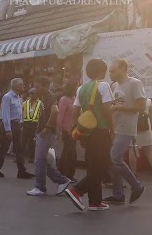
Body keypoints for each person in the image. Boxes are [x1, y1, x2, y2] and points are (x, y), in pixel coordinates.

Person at [65, 59, 114, 211]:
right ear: (102, 71)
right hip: (101, 131)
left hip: (87, 132)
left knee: (93, 166)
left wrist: (78, 133)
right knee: (101, 167)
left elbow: (75, 113)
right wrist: (112, 129)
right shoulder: (103, 85)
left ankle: (95, 202)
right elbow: (107, 110)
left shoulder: (81, 89)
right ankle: (76, 190)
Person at [104, 58, 146, 205]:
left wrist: (118, 108)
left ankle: (137, 186)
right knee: (113, 159)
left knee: (115, 157)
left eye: (113, 71)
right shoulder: (114, 85)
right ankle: (118, 194)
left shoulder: (135, 83)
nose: (110, 73)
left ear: (123, 68)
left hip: (126, 127)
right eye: (110, 71)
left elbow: (141, 106)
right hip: (115, 127)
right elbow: (114, 105)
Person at [26, 76, 72, 197]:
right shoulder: (45, 96)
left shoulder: (49, 97)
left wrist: (48, 127)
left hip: (46, 132)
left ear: (45, 86)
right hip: (44, 131)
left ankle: (40, 187)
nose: (35, 89)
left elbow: (55, 111)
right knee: (43, 160)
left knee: (39, 160)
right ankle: (62, 180)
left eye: (38, 87)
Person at [0, 78, 35, 179]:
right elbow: (5, 114)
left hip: (16, 124)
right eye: (22, 84)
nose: (24, 86)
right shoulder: (8, 97)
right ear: (17, 86)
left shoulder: (17, 97)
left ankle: (21, 171)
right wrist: (8, 129)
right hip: (10, 124)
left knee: (19, 148)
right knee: (4, 148)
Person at [128, 97, 152, 180]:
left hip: (132, 127)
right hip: (145, 128)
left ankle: (134, 173)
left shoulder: (130, 100)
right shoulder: (148, 101)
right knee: (149, 151)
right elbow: (150, 117)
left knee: (132, 150)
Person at [56, 81, 78, 181]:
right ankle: (67, 173)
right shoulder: (64, 99)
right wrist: (59, 129)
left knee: (67, 152)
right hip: (66, 130)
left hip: (74, 130)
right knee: (70, 152)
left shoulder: (74, 99)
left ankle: (63, 172)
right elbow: (60, 114)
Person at [21, 88, 42, 163]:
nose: (32, 95)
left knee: (32, 142)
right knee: (23, 141)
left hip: (35, 124)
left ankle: (31, 157)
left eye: (34, 93)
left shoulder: (40, 103)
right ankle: (20, 157)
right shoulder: (25, 103)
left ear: (37, 94)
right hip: (26, 124)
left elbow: (42, 115)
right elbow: (21, 112)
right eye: (30, 93)